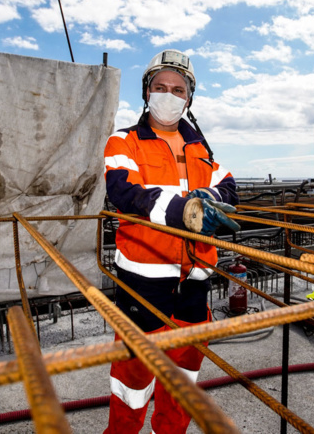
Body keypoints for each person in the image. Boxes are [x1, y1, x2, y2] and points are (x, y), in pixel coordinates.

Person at [102, 49, 240, 434]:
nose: (169, 95)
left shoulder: (201, 149)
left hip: (195, 281)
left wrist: (207, 198)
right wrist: (186, 210)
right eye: (160, 87)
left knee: (183, 376)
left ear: (189, 98)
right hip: (144, 282)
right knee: (133, 379)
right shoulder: (124, 142)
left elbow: (228, 186)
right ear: (146, 92)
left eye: (178, 90)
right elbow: (126, 191)